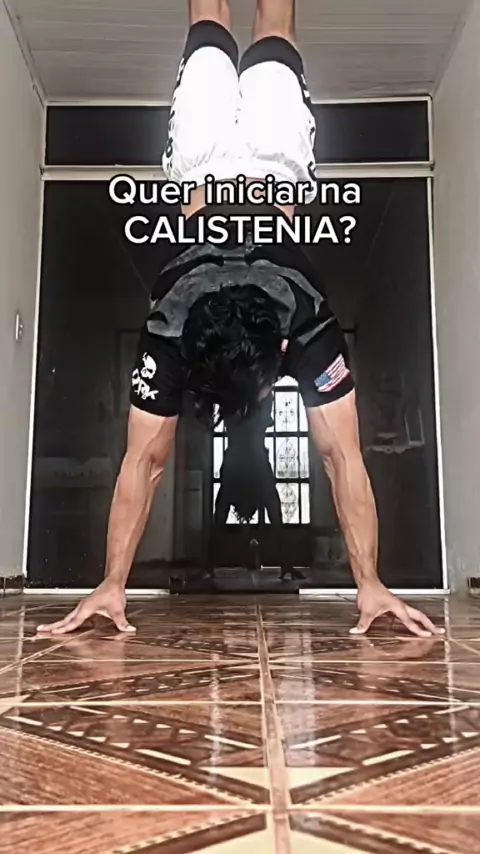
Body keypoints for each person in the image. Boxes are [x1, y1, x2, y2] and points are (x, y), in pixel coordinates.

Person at [37, 0, 443, 639]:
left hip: (274, 162)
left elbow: (147, 463)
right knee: (212, 19)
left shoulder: (295, 322)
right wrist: (367, 583)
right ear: (281, 350)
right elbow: (340, 458)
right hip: (206, 164)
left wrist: (115, 583)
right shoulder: (178, 332)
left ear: (279, 351)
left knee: (270, 26)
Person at [206, 392, 303, 581]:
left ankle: (208, 566)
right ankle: (286, 565)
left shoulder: (234, 398)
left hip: (237, 462)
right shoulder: (258, 397)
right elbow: (265, 419)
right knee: (273, 512)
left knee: (221, 514)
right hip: (254, 461)